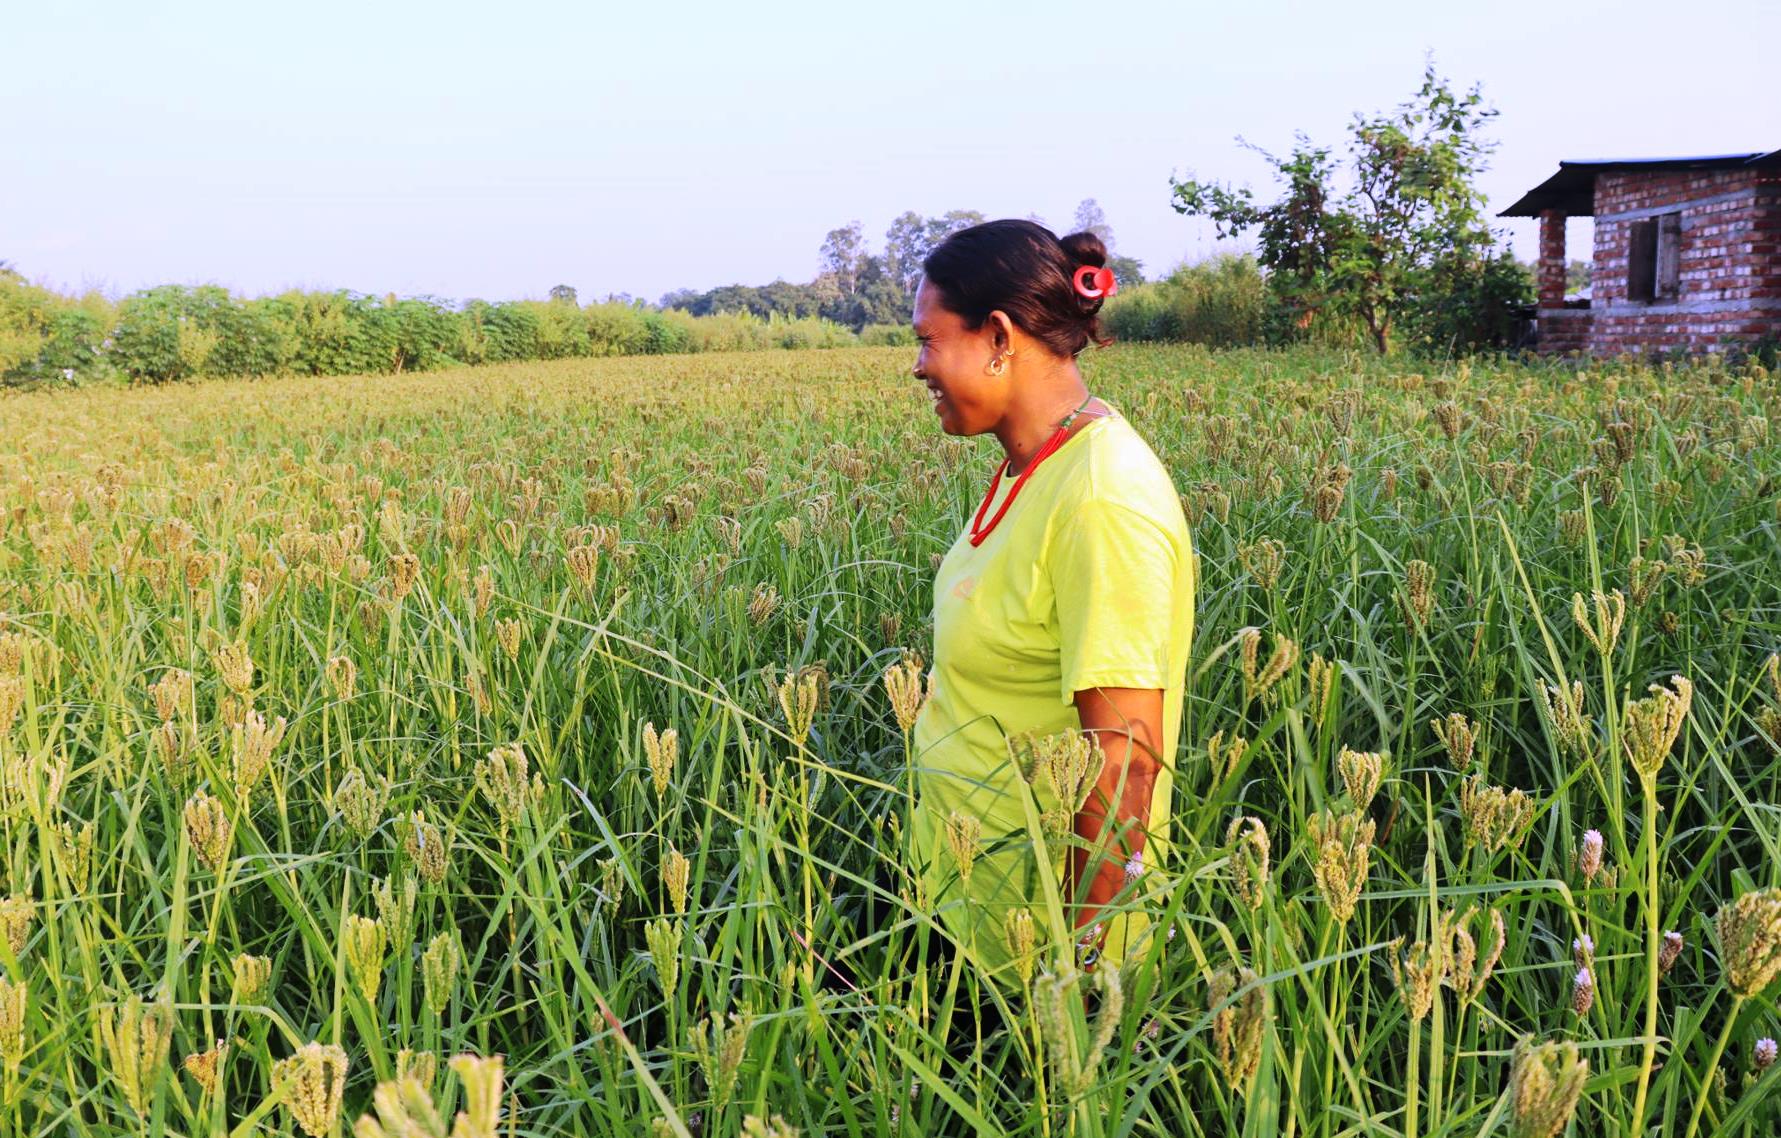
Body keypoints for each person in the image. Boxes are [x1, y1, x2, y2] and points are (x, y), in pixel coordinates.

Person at [904, 219, 1198, 992]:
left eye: (929, 341)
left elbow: (1123, 758)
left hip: (1038, 948)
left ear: (997, 336)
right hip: (973, 907)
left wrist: (1077, 976)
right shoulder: (1031, 465)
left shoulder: (1101, 498)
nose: (917, 368)